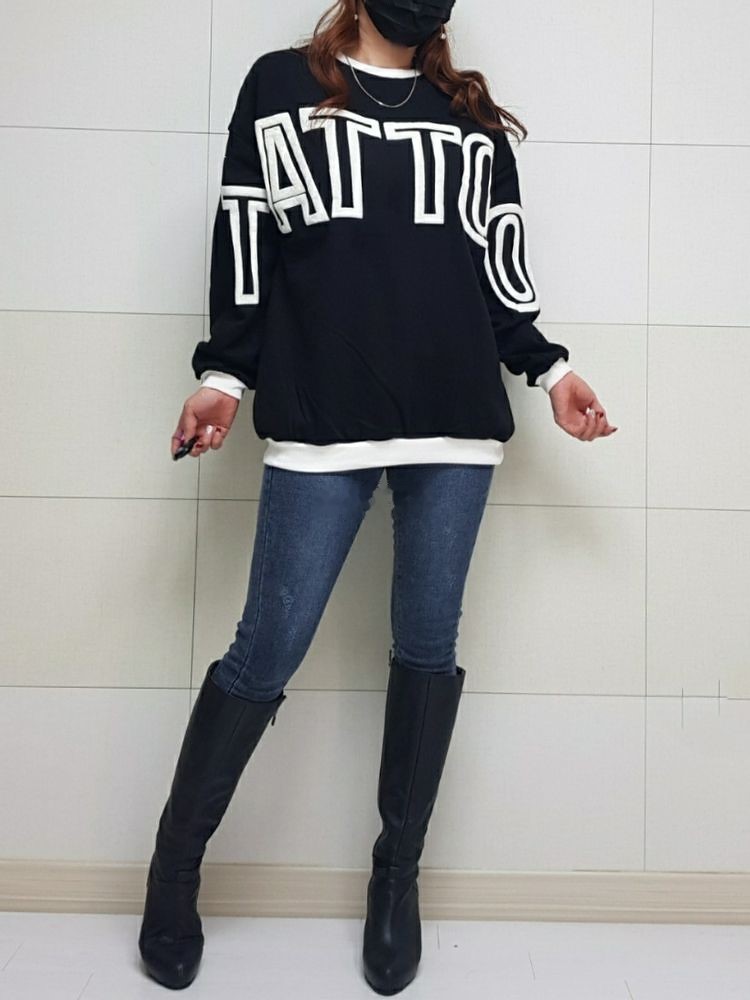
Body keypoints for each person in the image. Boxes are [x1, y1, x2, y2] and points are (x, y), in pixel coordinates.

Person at [138, 0, 617, 993]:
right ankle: (174, 874)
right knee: (266, 649)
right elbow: (246, 238)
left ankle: (395, 884)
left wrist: (553, 370)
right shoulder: (281, 86)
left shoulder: (469, 116)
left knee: (427, 649)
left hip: (454, 419)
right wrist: (223, 376)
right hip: (323, 413)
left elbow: (498, 269)